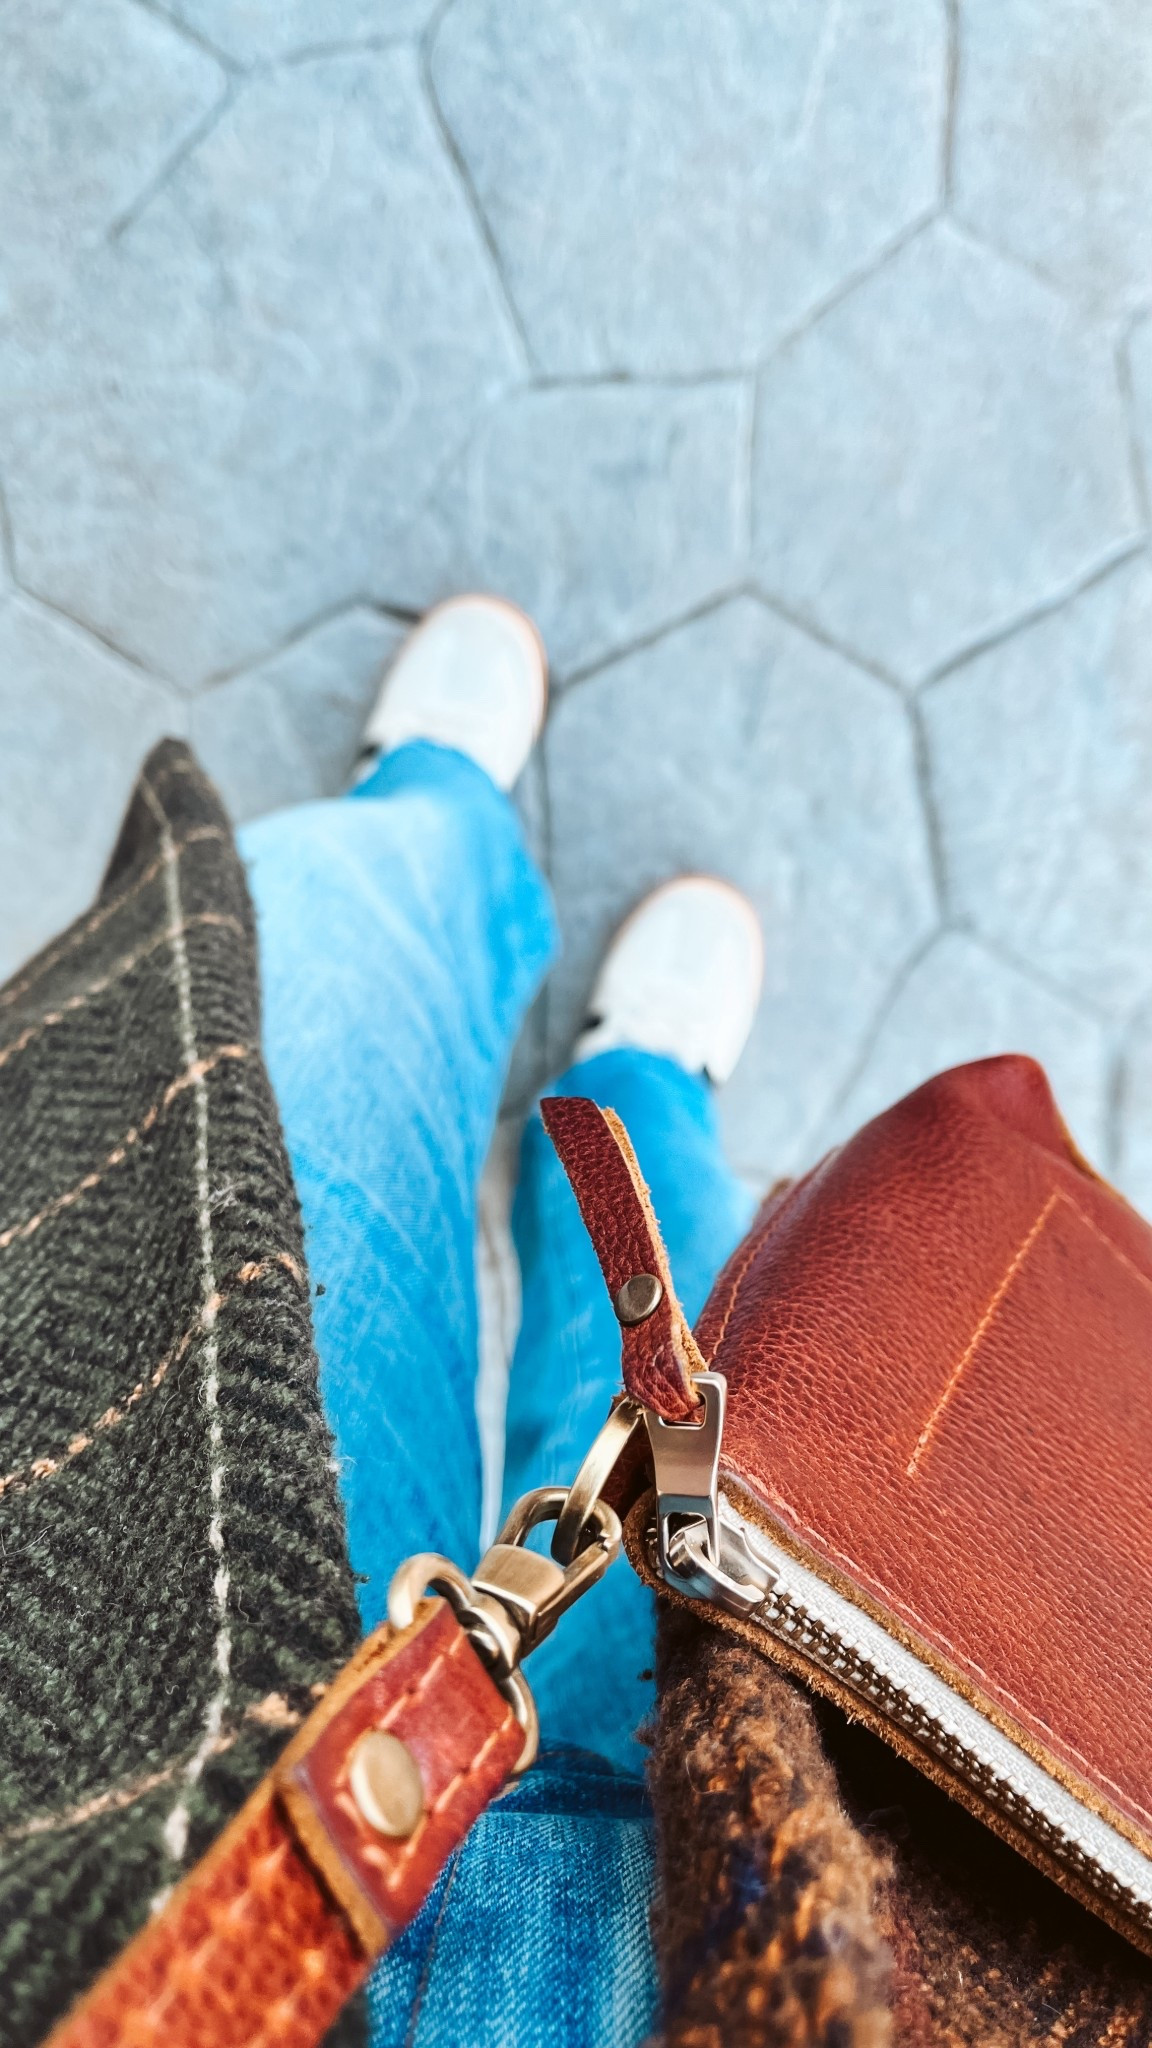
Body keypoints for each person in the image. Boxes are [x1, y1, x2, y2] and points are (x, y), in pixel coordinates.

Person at [236, 593, 765, 2045]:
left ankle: (439, 831)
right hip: (697, 1903)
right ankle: (639, 1085)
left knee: (305, 1034)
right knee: (713, 1320)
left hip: (212, 1842)